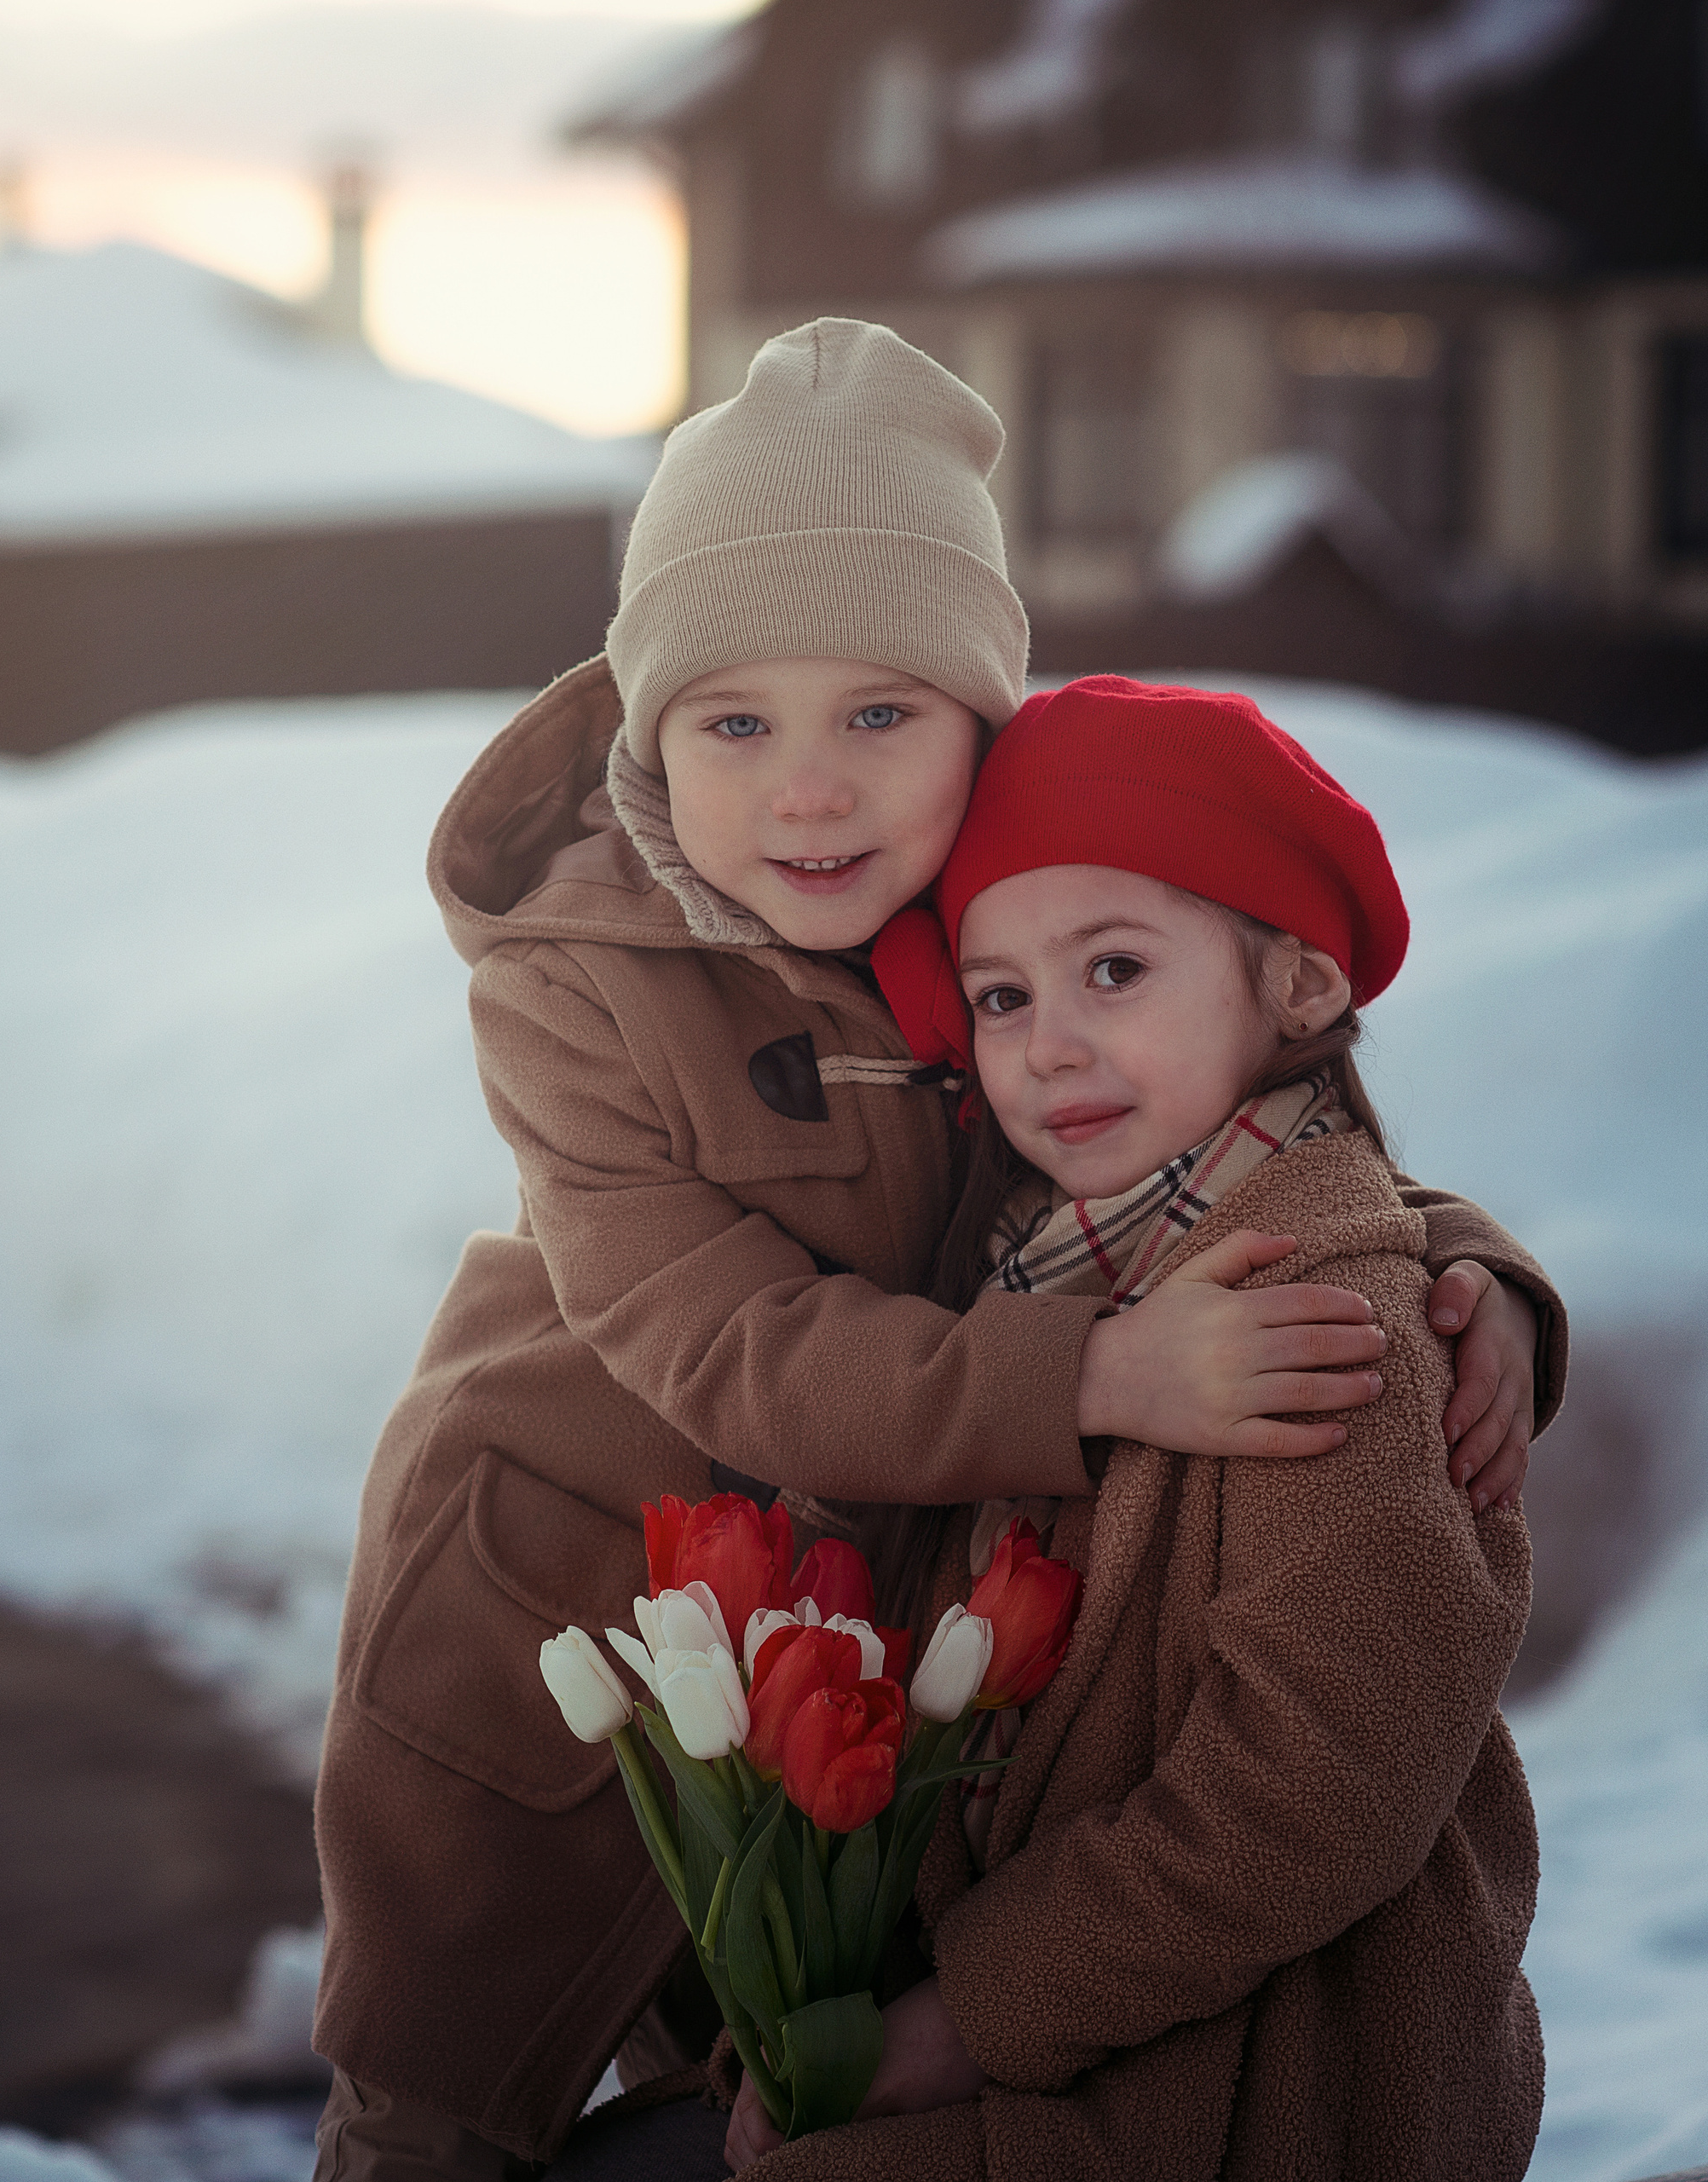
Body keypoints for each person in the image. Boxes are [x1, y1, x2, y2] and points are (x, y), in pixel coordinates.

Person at [309, 323, 1562, 2181]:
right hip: (557, 1613)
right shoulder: (569, 988)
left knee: (773, 2072)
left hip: (846, 1651)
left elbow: (1206, 1113)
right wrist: (1096, 1374)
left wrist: (1470, 1275)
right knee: (449, 2093)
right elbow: (725, 1343)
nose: (807, 791)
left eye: (878, 714)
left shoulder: (988, 943)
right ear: (647, 730)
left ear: (981, 728)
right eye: (735, 720)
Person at [723, 675, 1544, 2181]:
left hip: (1264, 2086)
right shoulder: (1053, 1251)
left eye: (1115, 969)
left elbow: (1317, 1786)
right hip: (1101, 2034)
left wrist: (967, 2015)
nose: (1045, 1048)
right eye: (1002, 996)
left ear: (1296, 991)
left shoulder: (1321, 1323)